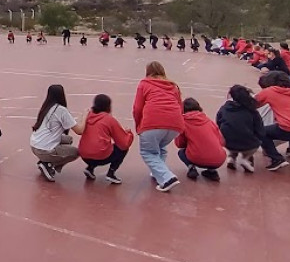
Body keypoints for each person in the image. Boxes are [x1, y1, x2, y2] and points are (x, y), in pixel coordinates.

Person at [132, 61, 184, 192]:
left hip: (153, 122)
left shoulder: (144, 83)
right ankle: (158, 173)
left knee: (148, 152)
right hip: (175, 123)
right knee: (160, 146)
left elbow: (137, 108)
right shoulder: (173, 85)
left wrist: (138, 125)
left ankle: (167, 178)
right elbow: (180, 105)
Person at [77, 94, 133, 183]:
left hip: (84, 155)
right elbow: (123, 142)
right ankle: (111, 173)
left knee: (95, 145)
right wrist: (128, 133)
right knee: (123, 148)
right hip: (101, 156)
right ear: (108, 106)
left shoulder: (87, 116)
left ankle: (90, 168)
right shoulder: (109, 119)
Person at [30, 84, 81, 181]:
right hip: (44, 149)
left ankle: (45, 161)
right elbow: (79, 131)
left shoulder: (46, 107)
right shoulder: (61, 110)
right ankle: (49, 164)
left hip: (34, 145)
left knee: (68, 140)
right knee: (76, 152)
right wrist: (85, 117)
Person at [175, 98, 226, 181]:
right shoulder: (209, 121)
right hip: (219, 159)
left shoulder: (183, 122)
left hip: (196, 157)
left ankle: (192, 168)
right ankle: (212, 171)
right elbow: (221, 141)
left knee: (181, 152)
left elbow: (179, 144)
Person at [216, 85, 264, 173]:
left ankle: (231, 157)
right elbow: (259, 127)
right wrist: (259, 138)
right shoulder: (252, 110)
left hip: (227, 142)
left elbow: (218, 122)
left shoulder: (224, 108)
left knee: (232, 131)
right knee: (251, 140)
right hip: (248, 144)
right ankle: (245, 158)